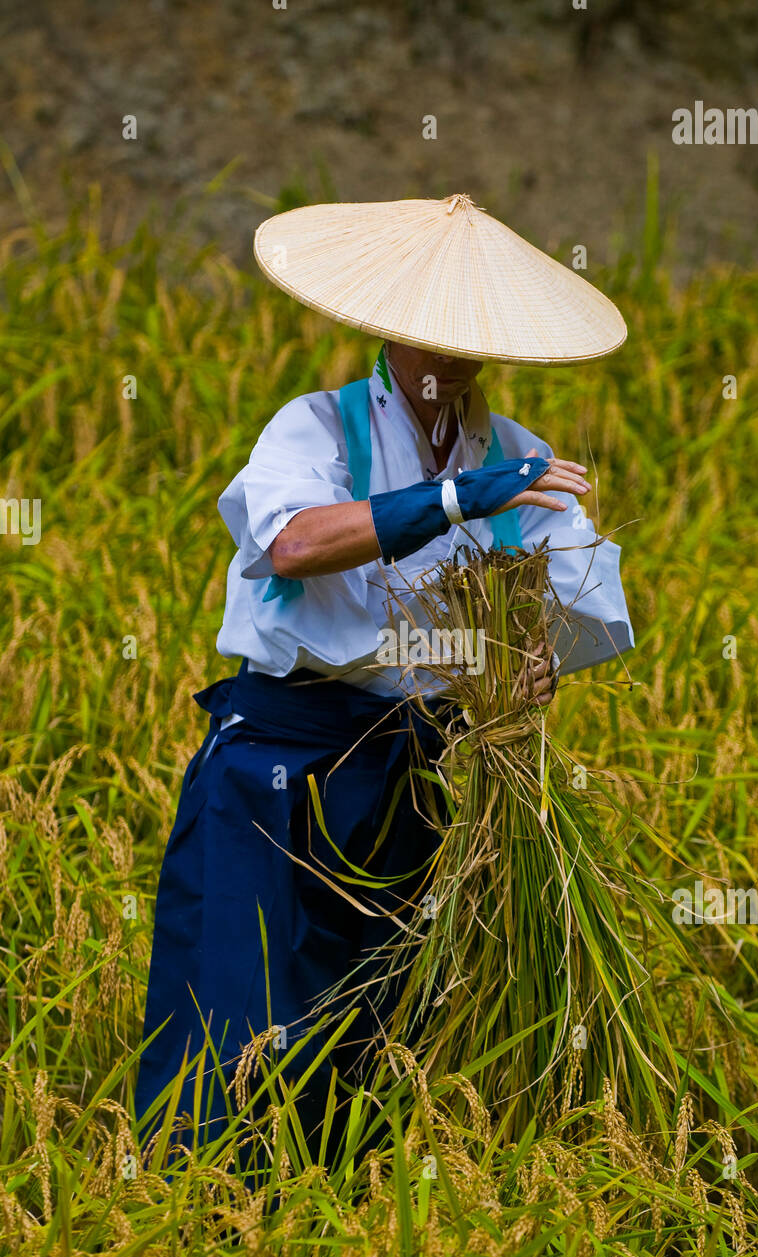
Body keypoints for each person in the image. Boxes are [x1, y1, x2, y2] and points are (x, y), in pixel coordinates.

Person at [134, 194, 633, 1151]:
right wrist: (447, 499)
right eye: (432, 336)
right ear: (389, 333)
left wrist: (527, 670)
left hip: (424, 767)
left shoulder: (519, 459)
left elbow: (552, 618)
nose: (451, 357)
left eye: (470, 339)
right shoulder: (316, 429)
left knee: (373, 1019)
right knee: (233, 1003)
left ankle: (338, 1220)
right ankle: (194, 1213)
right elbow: (291, 544)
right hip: (285, 755)